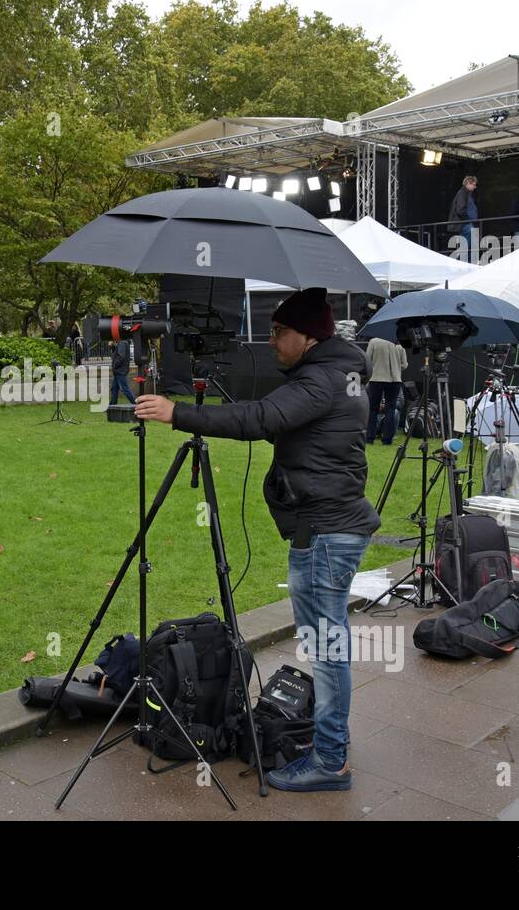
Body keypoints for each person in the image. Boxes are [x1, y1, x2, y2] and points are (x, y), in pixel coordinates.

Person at [134, 288, 379, 793]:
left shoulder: (321, 380)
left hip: (325, 532)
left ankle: (329, 762)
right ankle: (330, 746)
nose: (271, 342)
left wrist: (176, 412)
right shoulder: (343, 375)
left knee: (327, 650)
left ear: (308, 336)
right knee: (328, 645)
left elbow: (260, 419)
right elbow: (280, 420)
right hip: (334, 525)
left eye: (279, 332)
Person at [364, 336, 407, 444]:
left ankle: (369, 437)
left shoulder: (373, 342)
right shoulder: (399, 344)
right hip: (395, 380)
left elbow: (367, 360)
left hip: (376, 378)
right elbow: (404, 365)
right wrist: (396, 368)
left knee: (373, 409)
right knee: (391, 409)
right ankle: (387, 439)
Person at [447, 176, 478, 254]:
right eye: (474, 185)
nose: (475, 187)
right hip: (465, 224)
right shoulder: (463, 193)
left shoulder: (466, 193)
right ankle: (459, 260)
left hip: (466, 223)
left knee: (470, 245)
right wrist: (468, 220)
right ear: (468, 183)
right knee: (467, 245)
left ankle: (468, 262)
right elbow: (460, 210)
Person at [108, 338, 135, 405]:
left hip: (120, 370)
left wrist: (114, 365)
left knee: (125, 389)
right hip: (119, 370)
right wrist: (112, 346)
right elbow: (117, 354)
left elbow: (121, 357)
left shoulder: (122, 343)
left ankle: (136, 404)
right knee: (114, 389)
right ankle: (112, 406)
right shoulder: (122, 343)